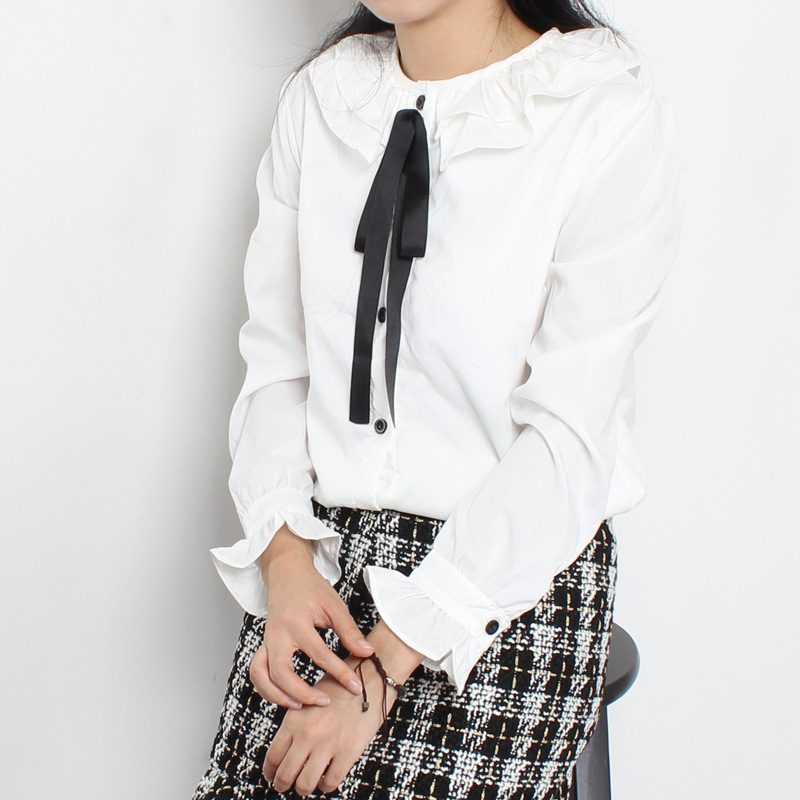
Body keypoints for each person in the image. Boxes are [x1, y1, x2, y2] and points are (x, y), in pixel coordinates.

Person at [192, 1, 685, 798]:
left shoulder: (601, 113)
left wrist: (383, 669)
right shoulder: (323, 100)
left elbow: (567, 442)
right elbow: (278, 368)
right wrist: (284, 563)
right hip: (328, 557)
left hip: (512, 578)